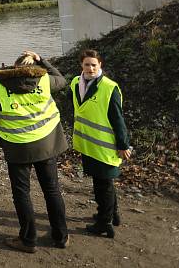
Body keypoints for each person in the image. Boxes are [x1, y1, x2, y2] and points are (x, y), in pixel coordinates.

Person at [0, 50, 69, 253]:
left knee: (22, 193)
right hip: (46, 143)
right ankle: (61, 236)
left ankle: (28, 240)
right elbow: (63, 80)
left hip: (17, 145)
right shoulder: (44, 79)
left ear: (15, 66)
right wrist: (43, 61)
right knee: (52, 190)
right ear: (35, 67)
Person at [70, 49, 131, 239]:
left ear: (100, 66)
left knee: (102, 185)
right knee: (103, 183)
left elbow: (118, 120)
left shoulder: (109, 88)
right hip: (88, 145)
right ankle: (112, 214)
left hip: (105, 147)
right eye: (87, 64)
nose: (90, 68)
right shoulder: (75, 83)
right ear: (81, 65)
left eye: (94, 65)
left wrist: (123, 145)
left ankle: (104, 224)